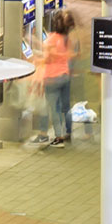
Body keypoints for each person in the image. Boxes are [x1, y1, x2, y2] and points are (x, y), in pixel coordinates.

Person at [37, 10, 74, 148]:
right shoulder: (66, 39)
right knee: (65, 107)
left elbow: (47, 58)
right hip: (65, 75)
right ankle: (68, 132)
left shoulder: (51, 38)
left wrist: (37, 55)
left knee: (54, 108)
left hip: (52, 78)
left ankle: (58, 137)